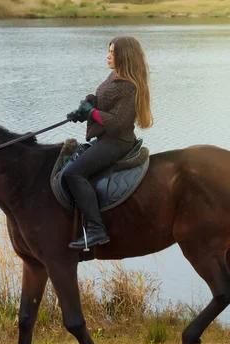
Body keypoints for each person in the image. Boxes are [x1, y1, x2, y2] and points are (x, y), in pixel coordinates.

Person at [64, 36, 153, 250]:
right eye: (109, 51)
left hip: (118, 141)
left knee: (73, 173)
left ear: (124, 56)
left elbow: (118, 122)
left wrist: (92, 112)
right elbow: (102, 100)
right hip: (105, 138)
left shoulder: (130, 86)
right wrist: (85, 107)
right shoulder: (114, 75)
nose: (108, 56)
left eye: (112, 53)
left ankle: (96, 230)